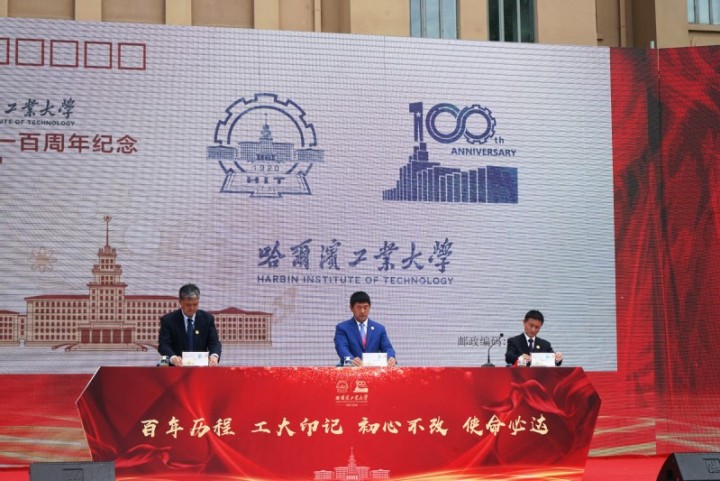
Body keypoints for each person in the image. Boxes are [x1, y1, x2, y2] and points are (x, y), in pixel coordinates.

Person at [158, 283, 222, 366]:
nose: (192, 308)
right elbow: (163, 345)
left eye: (195, 304)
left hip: (199, 366)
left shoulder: (207, 319)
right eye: (188, 305)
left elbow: (214, 342)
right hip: (174, 365)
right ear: (180, 302)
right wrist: (173, 358)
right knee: (162, 365)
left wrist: (214, 356)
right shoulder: (168, 320)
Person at [334, 291, 397, 367]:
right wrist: (350, 360)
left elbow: (387, 347)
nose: (362, 311)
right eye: (359, 307)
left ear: (369, 307)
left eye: (365, 307)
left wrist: (391, 358)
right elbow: (341, 348)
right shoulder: (342, 328)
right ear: (351, 308)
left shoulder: (379, 329)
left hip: (373, 370)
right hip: (351, 369)